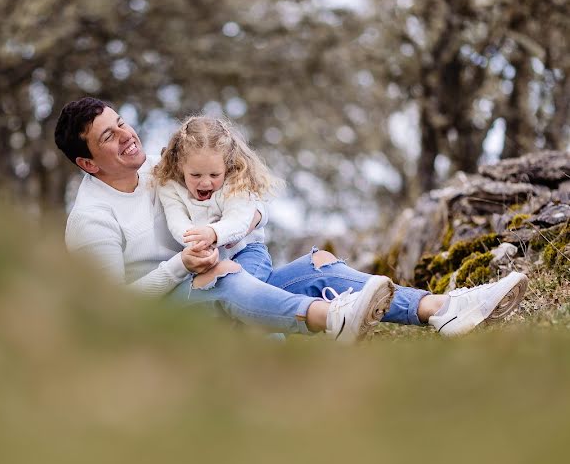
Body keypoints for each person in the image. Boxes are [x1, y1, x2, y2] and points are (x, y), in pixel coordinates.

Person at [54, 97, 528, 341]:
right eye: (108, 138)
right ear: (88, 164)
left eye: (122, 124)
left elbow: (234, 192)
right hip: (163, 322)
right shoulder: (92, 219)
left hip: (221, 281)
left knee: (319, 265)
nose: (126, 137)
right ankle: (326, 320)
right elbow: (111, 311)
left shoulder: (160, 172)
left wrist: (248, 214)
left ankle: (443, 311)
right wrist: (183, 265)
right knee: (223, 274)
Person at [152, 115, 284, 284]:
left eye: (215, 175)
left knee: (241, 287)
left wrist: (213, 233)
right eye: (196, 175)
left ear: (227, 165)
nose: (206, 182)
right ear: (180, 165)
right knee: (213, 292)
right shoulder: (170, 185)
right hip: (205, 257)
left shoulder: (236, 180)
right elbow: (176, 221)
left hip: (245, 252)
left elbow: (239, 219)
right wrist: (196, 243)